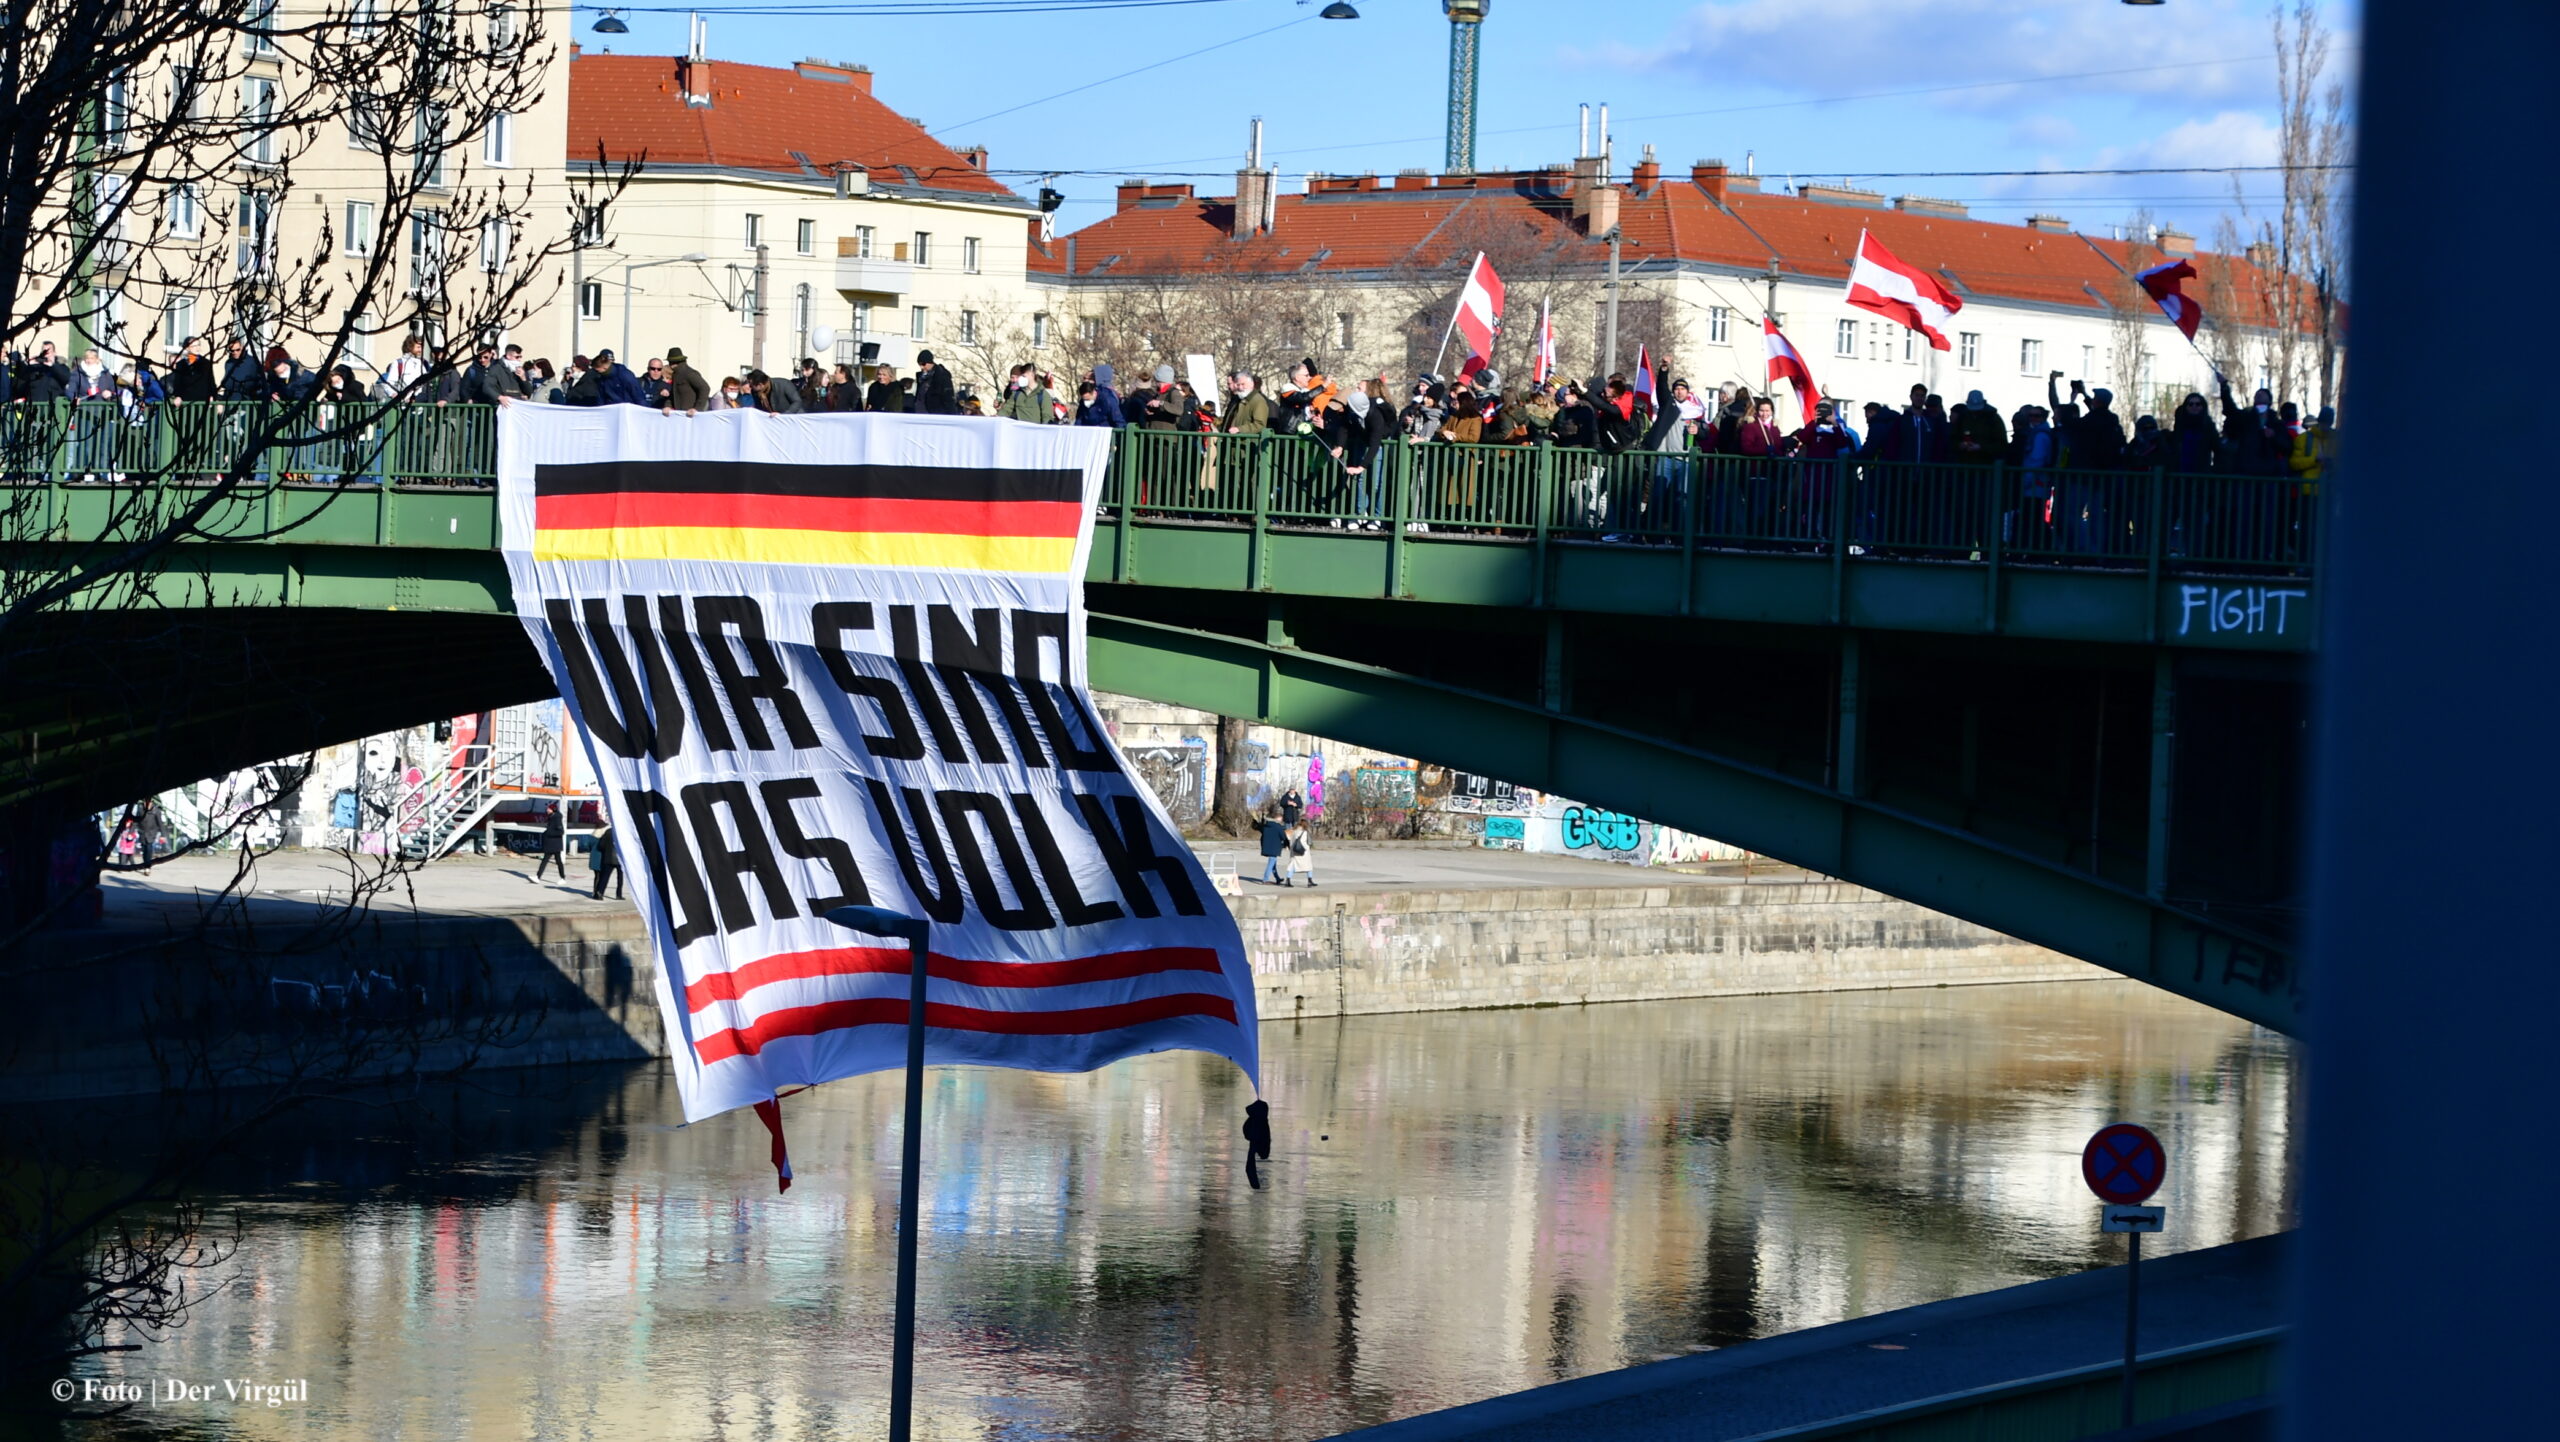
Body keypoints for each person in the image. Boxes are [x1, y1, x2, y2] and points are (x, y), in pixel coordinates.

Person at [663, 347, 710, 414]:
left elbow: (705, 388)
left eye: (670, 362)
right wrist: (667, 406)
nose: (669, 365)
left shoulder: (689, 373)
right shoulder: (675, 374)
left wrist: (697, 409)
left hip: (690, 416)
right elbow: (672, 394)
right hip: (680, 415)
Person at [910, 349, 958, 414]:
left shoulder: (942, 376)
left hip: (936, 414)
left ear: (930, 362)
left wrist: (952, 415)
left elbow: (948, 398)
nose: (921, 367)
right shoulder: (921, 377)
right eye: (919, 364)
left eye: (923, 364)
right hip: (920, 413)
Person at [589, 819, 623, 901]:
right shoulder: (623, 833)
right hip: (620, 859)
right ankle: (618, 894)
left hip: (608, 858)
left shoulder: (608, 832)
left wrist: (606, 850)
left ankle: (600, 893)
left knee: (605, 877)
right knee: (620, 878)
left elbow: (601, 845)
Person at [533, 802, 568, 881]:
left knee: (558, 861)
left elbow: (560, 832)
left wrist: (548, 833)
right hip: (551, 844)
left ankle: (562, 877)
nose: (547, 810)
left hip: (555, 844)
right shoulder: (551, 817)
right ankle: (538, 877)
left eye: (549, 809)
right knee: (545, 860)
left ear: (553, 810)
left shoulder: (557, 818)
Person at [1257, 810, 1290, 885]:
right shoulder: (1278, 826)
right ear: (1277, 819)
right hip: (1275, 847)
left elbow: (1262, 836)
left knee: (1273, 863)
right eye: (1281, 819)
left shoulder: (1266, 826)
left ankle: (1277, 878)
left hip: (1267, 846)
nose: (1281, 820)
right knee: (1271, 862)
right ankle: (1265, 879)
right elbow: (1283, 836)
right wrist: (1287, 844)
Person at [1284, 822, 1315, 887]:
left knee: (1292, 865)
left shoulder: (1293, 832)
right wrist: (1307, 848)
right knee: (1308, 866)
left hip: (1294, 851)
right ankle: (1310, 880)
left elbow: (1290, 841)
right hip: (1302, 852)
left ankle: (1288, 880)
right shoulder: (1304, 832)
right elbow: (1304, 842)